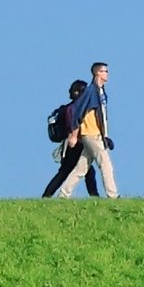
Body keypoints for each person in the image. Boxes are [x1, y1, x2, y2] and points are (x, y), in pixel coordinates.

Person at [53, 62, 118, 199]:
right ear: (98, 73)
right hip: (91, 135)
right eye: (105, 71)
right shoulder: (90, 92)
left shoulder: (101, 93)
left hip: (97, 135)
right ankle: (113, 195)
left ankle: (64, 194)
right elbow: (77, 113)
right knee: (105, 164)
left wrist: (105, 136)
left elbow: (102, 117)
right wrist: (74, 135)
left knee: (81, 169)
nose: (107, 74)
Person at [43, 80, 100, 198]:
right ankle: (94, 196)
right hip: (76, 144)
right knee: (74, 171)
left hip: (72, 144)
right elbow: (75, 125)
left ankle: (47, 196)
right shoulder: (76, 109)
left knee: (72, 171)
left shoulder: (70, 108)